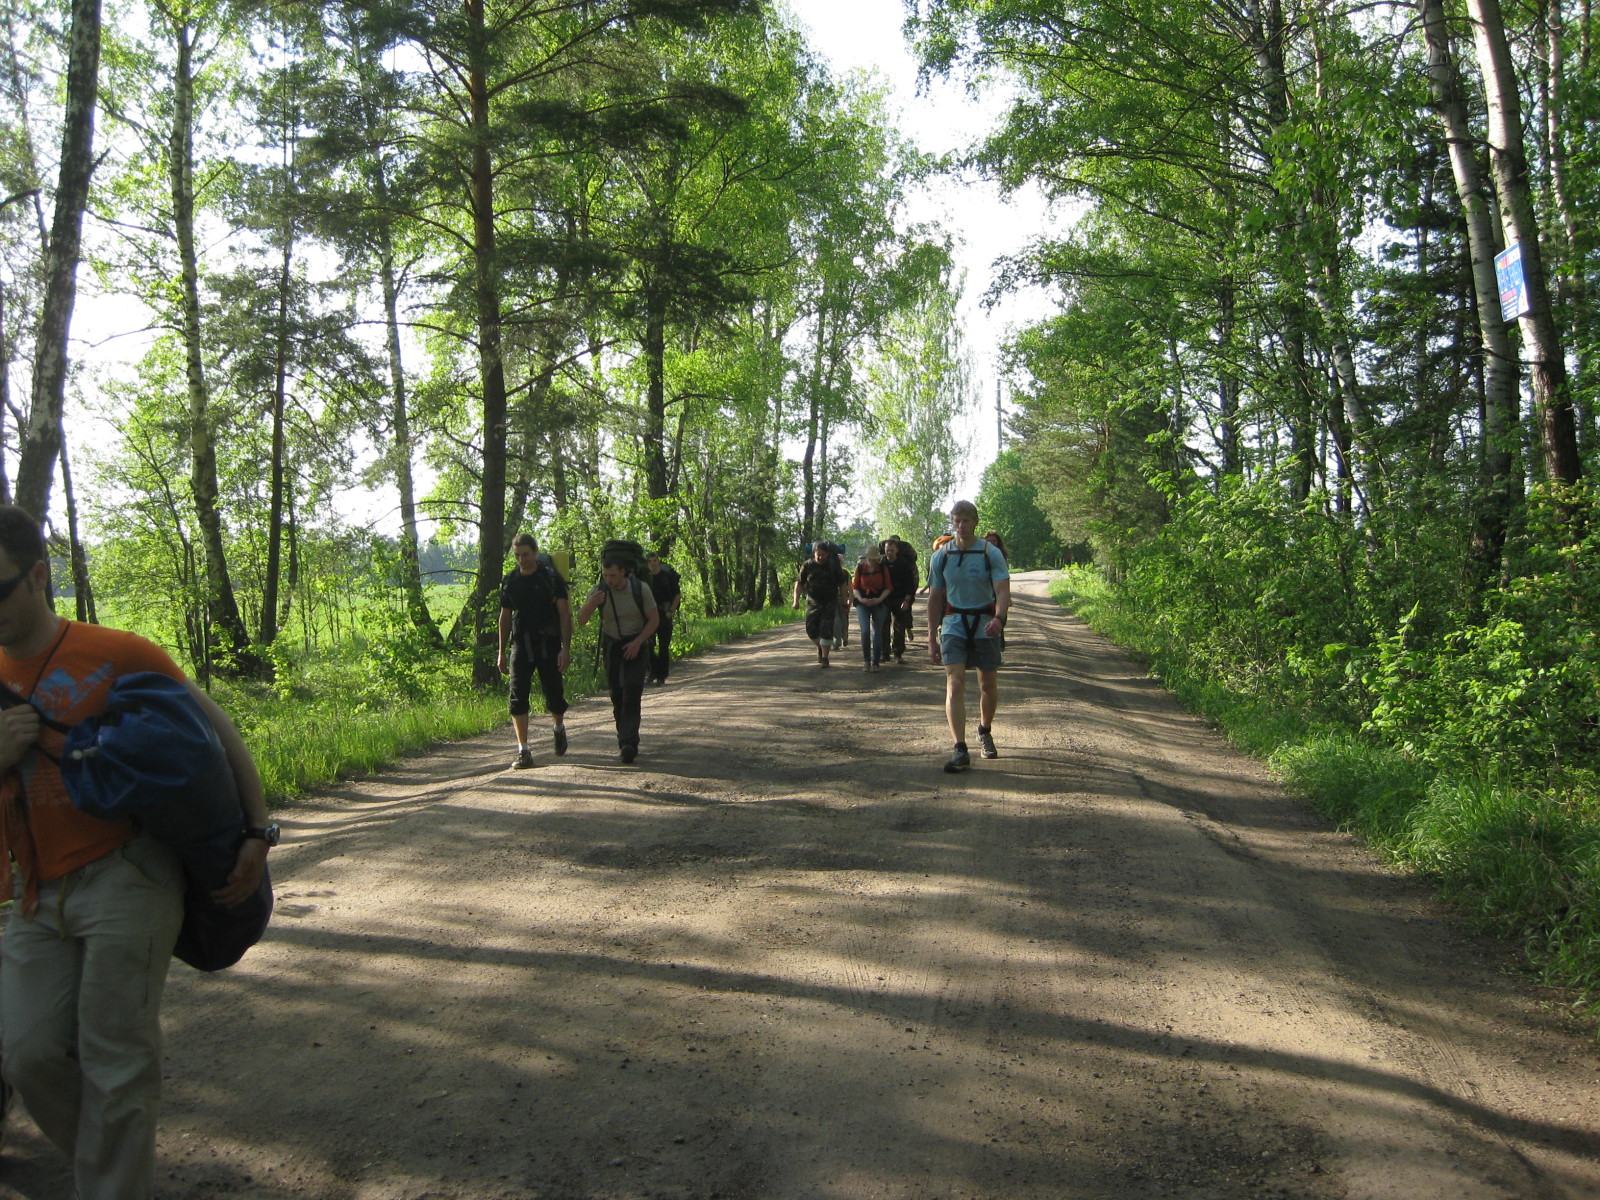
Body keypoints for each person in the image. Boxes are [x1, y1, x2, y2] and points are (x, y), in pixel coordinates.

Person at [0, 504, 270, 1200]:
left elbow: (214, 729)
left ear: (38, 576)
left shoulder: (116, 651)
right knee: (26, 1054)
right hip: (35, 891)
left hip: (129, 874)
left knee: (115, 1057)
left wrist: (257, 830)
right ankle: (110, 1168)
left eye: (0, 588)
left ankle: (112, 1186)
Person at [927, 500, 1011, 772]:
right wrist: (931, 637)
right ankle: (959, 748)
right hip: (953, 624)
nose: (961, 525)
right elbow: (935, 598)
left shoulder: (990, 553)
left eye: (966, 520)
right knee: (955, 683)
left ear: (975, 522)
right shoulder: (941, 555)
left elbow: (1002, 590)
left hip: (985, 623)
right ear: (952, 522)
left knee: (987, 684)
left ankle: (984, 730)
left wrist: (999, 618)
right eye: (956, 520)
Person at [495, 533, 572, 769]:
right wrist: (501, 652)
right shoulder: (510, 580)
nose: (522, 560)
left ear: (535, 553)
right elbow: (504, 617)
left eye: (526, 554)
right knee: (518, 696)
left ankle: (558, 727)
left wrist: (565, 648)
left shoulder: (550, 578)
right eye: (517, 555)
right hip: (521, 644)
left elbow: (564, 614)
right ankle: (523, 750)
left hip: (548, 643)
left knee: (554, 696)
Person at [576, 553, 659, 763]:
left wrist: (638, 642)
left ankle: (629, 743)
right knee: (617, 694)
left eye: (612, 575)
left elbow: (654, 620)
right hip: (612, 644)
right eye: (605, 575)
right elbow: (581, 620)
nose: (609, 580)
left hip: (637, 642)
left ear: (623, 572)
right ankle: (624, 737)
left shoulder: (640, 589)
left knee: (632, 690)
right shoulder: (599, 591)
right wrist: (590, 604)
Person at [792, 541, 850, 668]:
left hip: (830, 602)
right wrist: (795, 601)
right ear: (814, 553)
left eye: (823, 554)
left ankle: (825, 657)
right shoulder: (807, 565)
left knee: (826, 629)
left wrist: (845, 603)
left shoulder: (834, 567)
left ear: (828, 554)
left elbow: (842, 585)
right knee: (811, 630)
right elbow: (799, 583)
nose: (820, 557)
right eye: (818, 554)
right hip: (812, 602)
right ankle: (820, 647)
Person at [852, 545, 894, 672]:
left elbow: (888, 588)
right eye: (870, 557)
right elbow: (855, 587)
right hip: (862, 602)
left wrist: (879, 599)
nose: (871, 560)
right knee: (865, 631)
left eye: (874, 557)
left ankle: (875, 662)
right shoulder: (860, 568)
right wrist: (861, 599)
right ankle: (866, 661)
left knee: (877, 632)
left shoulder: (882, 568)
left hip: (879, 602)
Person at [643, 552, 682, 686]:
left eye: (654, 560)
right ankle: (653, 671)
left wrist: (671, 611)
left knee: (663, 647)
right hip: (649, 615)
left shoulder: (666, 576)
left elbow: (677, 594)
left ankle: (662, 676)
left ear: (658, 562)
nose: (652, 563)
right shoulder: (645, 578)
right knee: (647, 645)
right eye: (650, 561)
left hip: (664, 613)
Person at [881, 537, 919, 664]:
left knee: (899, 627)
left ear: (897, 550)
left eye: (891, 550)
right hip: (884, 599)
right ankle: (884, 653)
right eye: (887, 550)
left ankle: (898, 653)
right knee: (883, 626)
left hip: (900, 598)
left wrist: (907, 600)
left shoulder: (904, 564)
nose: (889, 553)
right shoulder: (881, 563)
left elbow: (910, 584)